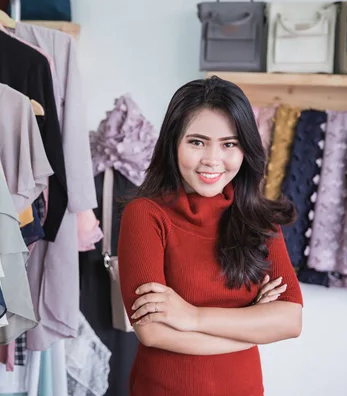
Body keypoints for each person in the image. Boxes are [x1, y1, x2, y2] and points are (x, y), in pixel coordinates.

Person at [117, 76, 304, 396]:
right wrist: (252, 324)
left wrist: (191, 316)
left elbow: (290, 321)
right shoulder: (145, 214)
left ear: (245, 148)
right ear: (173, 143)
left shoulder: (258, 219)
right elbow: (152, 332)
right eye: (197, 142)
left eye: (229, 144)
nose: (212, 160)